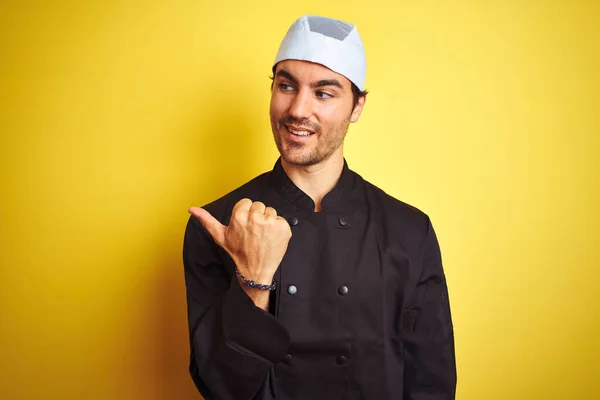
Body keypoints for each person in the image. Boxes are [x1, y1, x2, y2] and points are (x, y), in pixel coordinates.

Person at [183, 15, 456, 400]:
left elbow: (432, 383)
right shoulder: (219, 224)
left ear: (357, 106)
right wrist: (254, 278)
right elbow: (221, 387)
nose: (297, 109)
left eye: (323, 93)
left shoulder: (409, 231)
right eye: (286, 86)